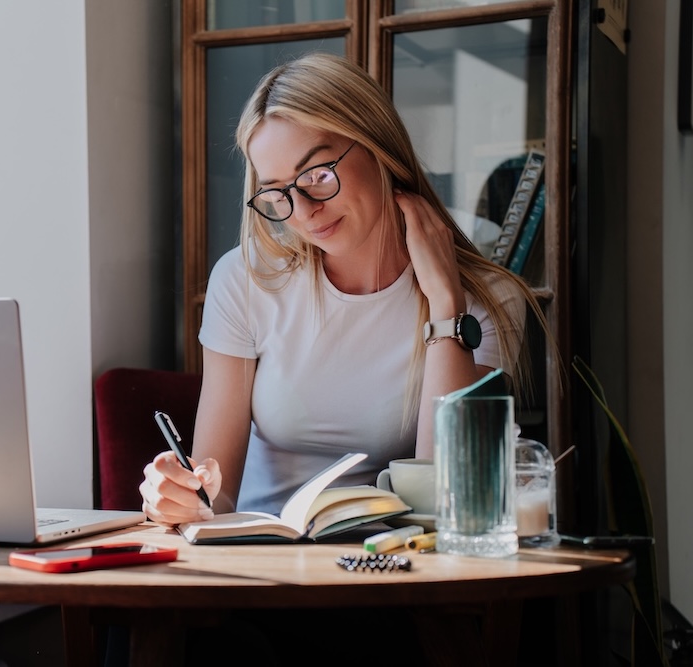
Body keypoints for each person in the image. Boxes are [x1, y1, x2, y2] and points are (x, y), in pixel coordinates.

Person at [140, 52, 545, 528]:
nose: (304, 209)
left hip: (394, 565)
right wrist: (183, 498)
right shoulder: (246, 280)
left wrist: (445, 304)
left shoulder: (489, 297)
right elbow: (217, 492)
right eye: (278, 193)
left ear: (378, 147)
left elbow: (450, 494)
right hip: (262, 559)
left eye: (317, 176)